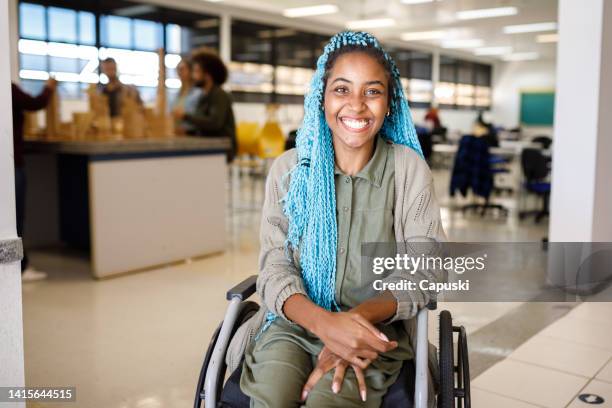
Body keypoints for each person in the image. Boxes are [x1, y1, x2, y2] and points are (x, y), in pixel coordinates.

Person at [238, 31, 446, 407]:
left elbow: (426, 268)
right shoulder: (289, 170)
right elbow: (274, 265)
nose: (357, 105)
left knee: (328, 400)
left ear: (389, 102)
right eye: (342, 89)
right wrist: (324, 324)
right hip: (292, 325)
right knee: (270, 398)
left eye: (372, 91)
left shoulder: (407, 170)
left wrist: (351, 327)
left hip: (376, 331)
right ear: (322, 96)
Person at [11, 79, 58, 282]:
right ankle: (18, 268)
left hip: (10, 162)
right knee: (14, 221)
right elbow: (35, 103)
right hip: (11, 163)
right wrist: (49, 88)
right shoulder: (6, 87)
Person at [173, 51, 236, 161]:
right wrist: (187, 132)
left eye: (197, 72)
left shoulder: (219, 95)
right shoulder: (203, 97)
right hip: (210, 149)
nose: (193, 76)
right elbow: (203, 127)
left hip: (221, 151)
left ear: (207, 75)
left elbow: (214, 123)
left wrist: (185, 116)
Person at [171, 57, 202, 135]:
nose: (179, 72)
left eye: (182, 69)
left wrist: (184, 115)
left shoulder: (198, 93)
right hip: (175, 132)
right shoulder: (175, 95)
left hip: (191, 133)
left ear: (191, 71)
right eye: (178, 69)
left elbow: (200, 117)